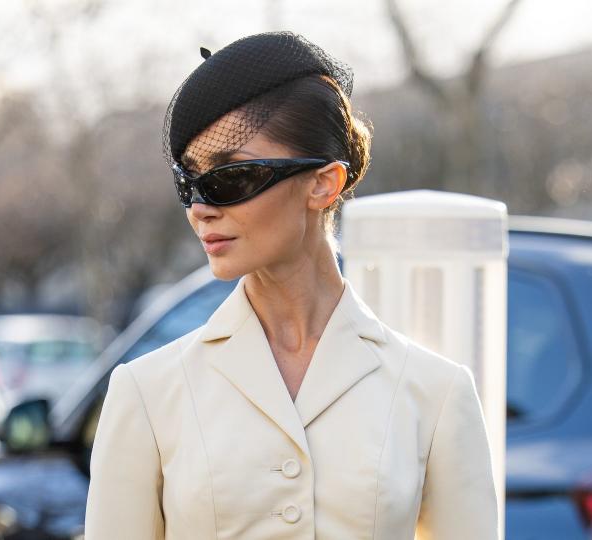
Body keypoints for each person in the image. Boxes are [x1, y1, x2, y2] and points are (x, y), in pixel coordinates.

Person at [84, 31, 498, 539]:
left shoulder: (436, 393)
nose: (200, 208)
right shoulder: (146, 393)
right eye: (188, 182)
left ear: (324, 183)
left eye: (230, 177)